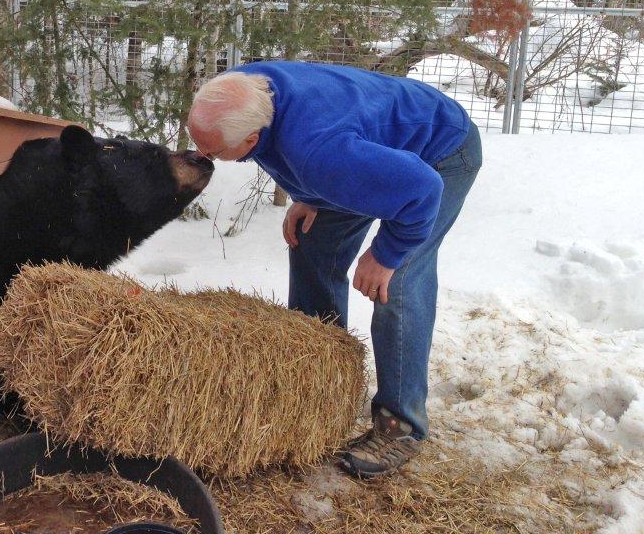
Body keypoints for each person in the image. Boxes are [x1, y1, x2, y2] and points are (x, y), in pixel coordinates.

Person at [186, 60, 482, 478]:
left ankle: (401, 426)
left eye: (212, 152)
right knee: (313, 244)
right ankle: (319, 389)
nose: (200, 155)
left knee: (396, 285)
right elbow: (309, 149)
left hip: (438, 153)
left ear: (252, 138)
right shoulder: (236, 89)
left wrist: (386, 255)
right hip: (364, 145)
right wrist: (310, 195)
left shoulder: (321, 153)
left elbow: (422, 190)